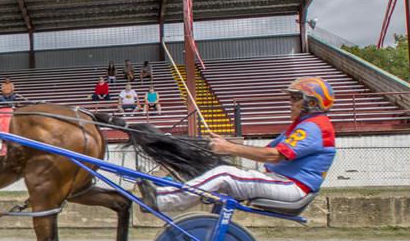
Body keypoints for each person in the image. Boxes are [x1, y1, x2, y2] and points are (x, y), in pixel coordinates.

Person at [140, 78, 337, 213]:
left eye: (295, 98)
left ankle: (161, 199)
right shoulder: (303, 126)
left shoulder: (314, 127)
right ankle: (169, 192)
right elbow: (264, 152)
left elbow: (273, 156)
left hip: (292, 186)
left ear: (311, 103)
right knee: (217, 173)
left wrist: (230, 148)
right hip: (282, 181)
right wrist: (223, 143)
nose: (290, 102)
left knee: (224, 174)